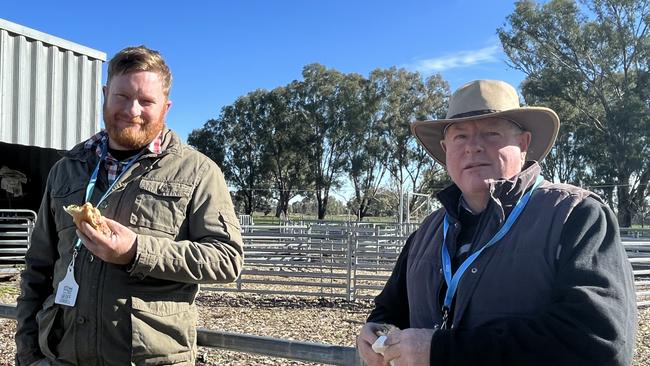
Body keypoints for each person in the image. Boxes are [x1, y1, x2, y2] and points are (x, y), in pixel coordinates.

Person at [357, 80, 637, 365]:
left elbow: (599, 341)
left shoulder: (576, 216)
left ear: (523, 143)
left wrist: (443, 351)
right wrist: (374, 331)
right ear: (445, 149)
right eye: (460, 137)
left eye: (491, 133)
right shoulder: (427, 232)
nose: (473, 147)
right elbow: (391, 309)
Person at [15, 46, 244, 366]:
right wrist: (28, 356)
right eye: (122, 96)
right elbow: (38, 269)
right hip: (63, 357)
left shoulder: (198, 172)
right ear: (106, 94)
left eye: (147, 101)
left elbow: (227, 260)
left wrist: (137, 251)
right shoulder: (66, 169)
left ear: (166, 106)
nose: (132, 110)